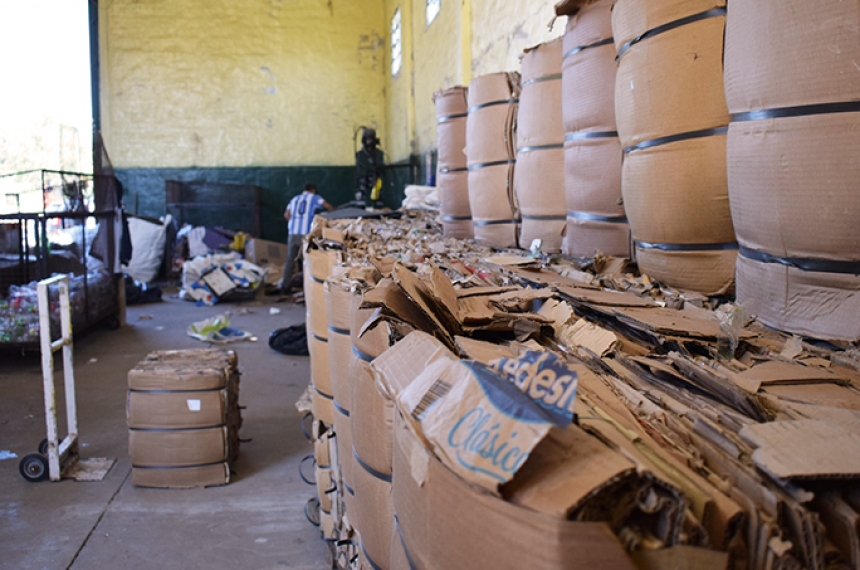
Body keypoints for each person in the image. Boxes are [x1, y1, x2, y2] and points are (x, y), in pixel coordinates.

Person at [281, 183, 333, 294]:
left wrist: (294, 223)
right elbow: (327, 207)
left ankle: (285, 287)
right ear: (313, 190)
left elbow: (286, 214)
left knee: (290, 260)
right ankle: (307, 291)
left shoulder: (294, 199)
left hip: (292, 233)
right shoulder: (314, 197)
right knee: (306, 262)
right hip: (305, 235)